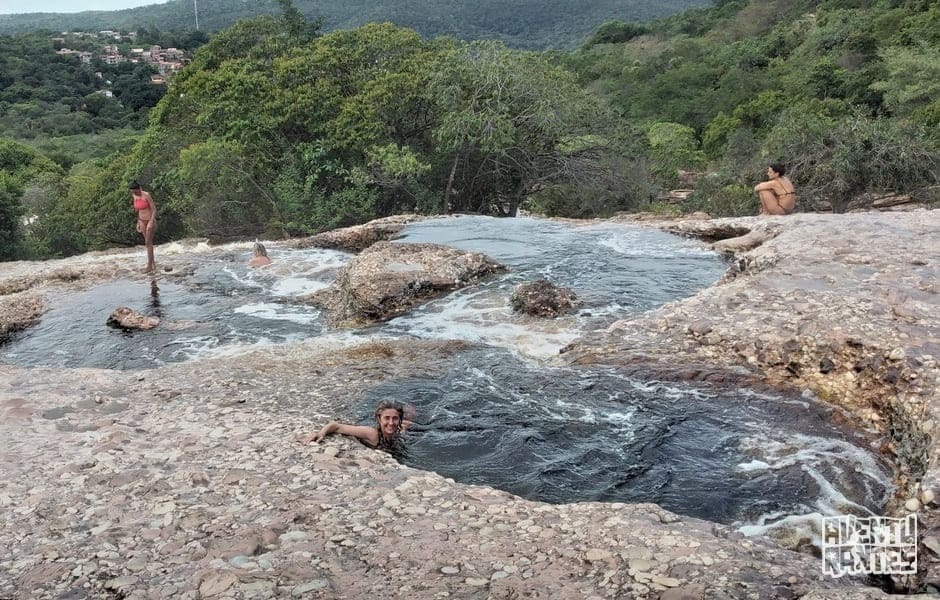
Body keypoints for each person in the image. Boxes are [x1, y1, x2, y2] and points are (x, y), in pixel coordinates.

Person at [301, 400, 416, 453]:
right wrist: (321, 433)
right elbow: (335, 426)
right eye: (386, 418)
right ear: (378, 418)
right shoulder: (372, 434)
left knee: (408, 421)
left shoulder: (399, 429)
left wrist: (403, 429)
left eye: (395, 418)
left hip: (401, 430)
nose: (391, 423)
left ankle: (411, 405)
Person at [129, 180, 157, 272]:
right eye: (133, 192)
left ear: (140, 189)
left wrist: (151, 221)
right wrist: (138, 222)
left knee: (148, 242)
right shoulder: (134, 196)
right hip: (141, 220)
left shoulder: (146, 195)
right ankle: (153, 264)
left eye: (136, 191)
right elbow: (138, 210)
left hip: (150, 219)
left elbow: (154, 209)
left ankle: (149, 265)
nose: (135, 193)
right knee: (147, 243)